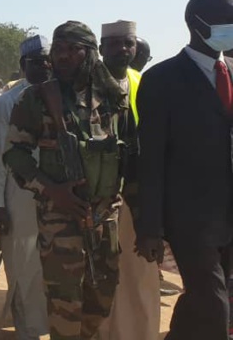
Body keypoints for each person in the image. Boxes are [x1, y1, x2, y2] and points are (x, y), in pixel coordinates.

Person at [4, 20, 125, 340]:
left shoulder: (110, 95)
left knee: (102, 296)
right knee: (64, 302)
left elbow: (126, 151)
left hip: (104, 216)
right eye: (58, 49)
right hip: (60, 219)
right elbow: (15, 156)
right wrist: (51, 191)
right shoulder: (36, 98)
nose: (63, 56)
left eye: (73, 49)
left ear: (90, 54)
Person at [136, 0, 233, 340]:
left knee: (200, 301)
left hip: (228, 214)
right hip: (189, 217)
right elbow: (151, 157)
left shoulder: (232, 71)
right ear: (196, 23)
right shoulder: (162, 80)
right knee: (214, 306)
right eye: (228, 21)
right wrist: (150, 227)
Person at [96, 20, 158, 340]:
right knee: (101, 276)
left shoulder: (143, 82)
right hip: (98, 198)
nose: (123, 49)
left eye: (128, 43)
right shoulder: (85, 85)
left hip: (136, 193)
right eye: (116, 43)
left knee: (138, 275)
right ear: (101, 48)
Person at [0, 35, 52, 340]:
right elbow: (0, 155)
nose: (43, 66)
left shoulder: (63, 95)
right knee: (23, 263)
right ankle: (27, 330)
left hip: (58, 194)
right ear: (22, 65)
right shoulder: (7, 102)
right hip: (20, 193)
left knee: (51, 265)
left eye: (47, 60)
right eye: (36, 61)